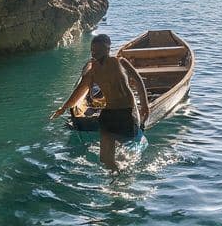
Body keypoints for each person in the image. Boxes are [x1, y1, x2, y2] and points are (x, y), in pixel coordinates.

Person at [51, 34, 150, 170]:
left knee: (124, 148)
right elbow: (79, 91)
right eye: (92, 50)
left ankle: (124, 169)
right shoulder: (92, 71)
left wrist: (145, 105)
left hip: (126, 111)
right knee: (104, 159)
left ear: (108, 49)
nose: (94, 53)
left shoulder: (120, 62)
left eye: (98, 50)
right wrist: (63, 108)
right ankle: (116, 177)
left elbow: (138, 81)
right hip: (108, 114)